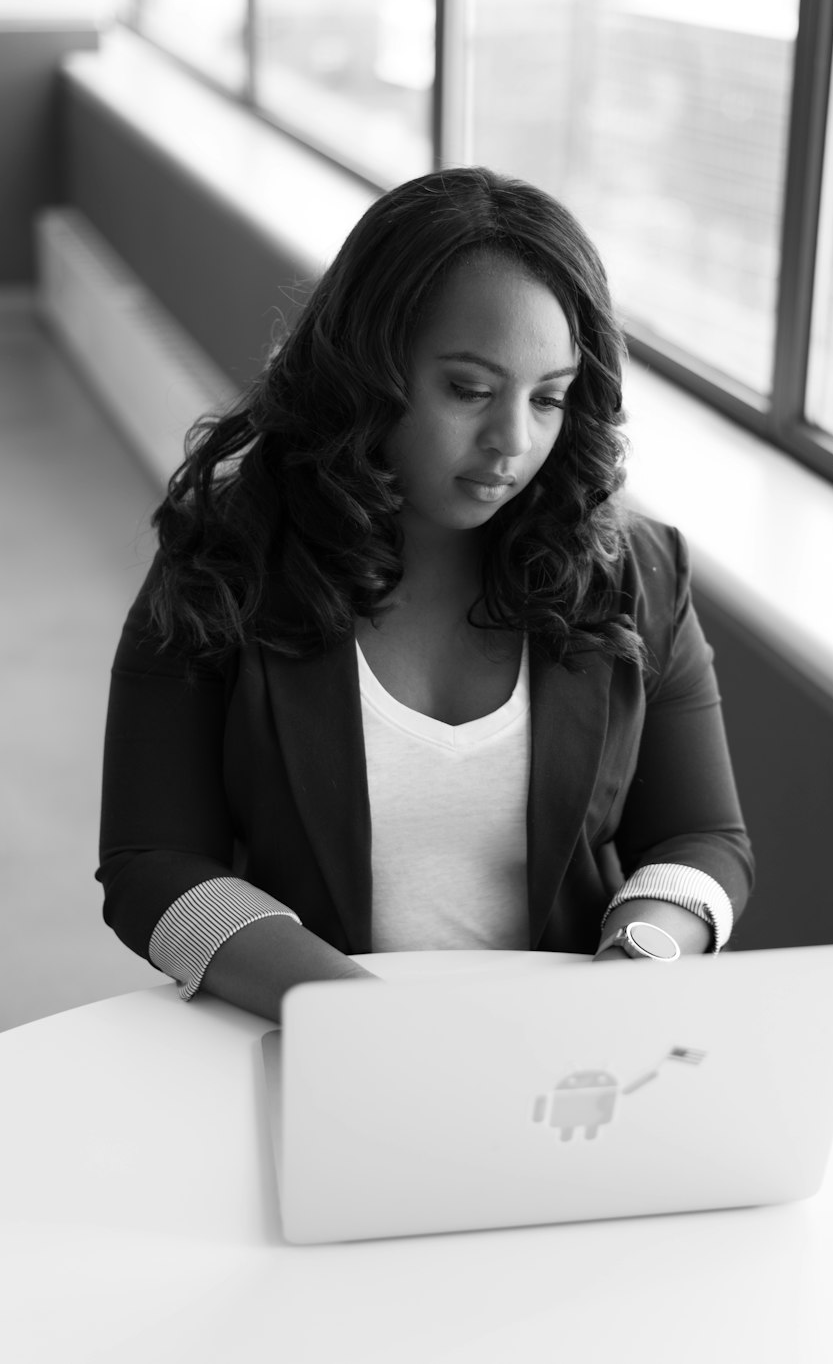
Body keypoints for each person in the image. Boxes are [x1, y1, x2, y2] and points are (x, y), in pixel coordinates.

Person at [98, 166, 754, 1023]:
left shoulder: (636, 570)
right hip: (320, 1044)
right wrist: (361, 1018)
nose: (512, 442)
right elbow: (153, 861)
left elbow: (704, 838)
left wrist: (642, 952)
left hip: (562, 1063)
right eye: (470, 390)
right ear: (366, 369)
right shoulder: (225, 560)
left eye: (549, 399)